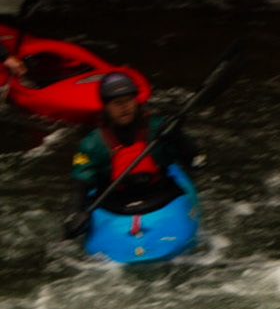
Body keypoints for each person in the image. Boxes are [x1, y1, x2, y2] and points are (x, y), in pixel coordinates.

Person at [65, 71, 199, 238]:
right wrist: (73, 214)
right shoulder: (91, 144)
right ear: (106, 107)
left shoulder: (160, 129)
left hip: (162, 196)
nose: (124, 107)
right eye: (117, 102)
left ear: (136, 101)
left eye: (128, 100)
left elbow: (196, 162)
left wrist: (178, 137)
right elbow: (80, 185)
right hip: (114, 204)